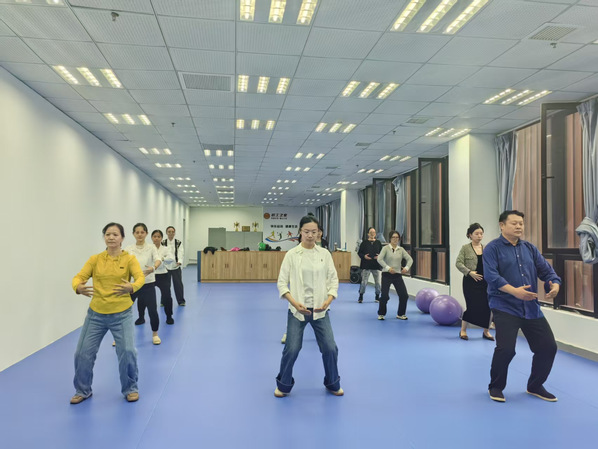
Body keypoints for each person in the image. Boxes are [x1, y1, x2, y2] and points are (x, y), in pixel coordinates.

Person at [483, 210, 561, 403]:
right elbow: (491, 276)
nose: (519, 226)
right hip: (504, 306)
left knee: (548, 347)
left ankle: (535, 386)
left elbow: (547, 272)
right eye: (514, 223)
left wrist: (554, 284)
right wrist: (514, 291)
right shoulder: (492, 249)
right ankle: (496, 386)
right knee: (506, 349)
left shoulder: (530, 248)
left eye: (521, 223)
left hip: (530, 307)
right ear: (502, 225)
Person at [70, 222, 145, 404]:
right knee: (82, 353)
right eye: (108, 234)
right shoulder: (95, 259)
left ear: (122, 238)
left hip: (122, 314)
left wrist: (132, 287)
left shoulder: (129, 259)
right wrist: (78, 287)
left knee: (127, 351)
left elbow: (140, 277)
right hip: (96, 314)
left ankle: (130, 388)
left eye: (115, 234)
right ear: (104, 237)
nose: (111, 237)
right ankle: (83, 390)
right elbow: (79, 277)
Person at [275, 215, 343, 397]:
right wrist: (293, 303)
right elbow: (282, 283)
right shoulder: (292, 255)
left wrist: (329, 300)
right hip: (297, 311)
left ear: (319, 233)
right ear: (300, 232)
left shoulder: (324, 254)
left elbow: (333, 280)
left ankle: (333, 383)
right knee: (291, 349)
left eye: (314, 232)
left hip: (321, 310)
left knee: (330, 348)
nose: (310, 235)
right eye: (307, 231)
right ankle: (283, 385)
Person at [455, 223, 494, 341]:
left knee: (487, 306)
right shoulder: (465, 248)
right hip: (470, 282)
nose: (479, 236)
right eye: (476, 233)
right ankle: (463, 330)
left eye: (481, 233)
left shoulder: (486, 248)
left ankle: (486, 331)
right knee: (471, 306)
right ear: (470, 235)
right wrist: (469, 272)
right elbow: (458, 263)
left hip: (485, 282)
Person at [125, 223, 162, 345]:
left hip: (148, 283)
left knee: (152, 310)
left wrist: (153, 267)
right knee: (123, 310)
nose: (139, 235)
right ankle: (120, 336)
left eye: (142, 232)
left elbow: (158, 259)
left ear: (146, 233)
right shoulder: (129, 249)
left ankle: (155, 334)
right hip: (132, 285)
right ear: (133, 234)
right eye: (137, 232)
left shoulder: (151, 247)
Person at [376, 230, 413, 320]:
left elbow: (410, 259)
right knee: (384, 296)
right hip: (386, 275)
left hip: (397, 275)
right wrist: (388, 268)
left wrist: (406, 268)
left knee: (404, 295)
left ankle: (401, 314)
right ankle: (381, 314)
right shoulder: (385, 248)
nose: (395, 239)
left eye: (397, 237)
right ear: (390, 238)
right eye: (393, 237)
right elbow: (379, 259)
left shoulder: (401, 249)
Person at [152, 230, 176, 325]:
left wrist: (161, 259)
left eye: (158, 236)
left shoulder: (166, 249)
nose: (156, 238)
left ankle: (169, 316)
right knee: (144, 297)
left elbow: (171, 258)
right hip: (151, 274)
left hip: (163, 274)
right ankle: (141, 317)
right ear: (152, 238)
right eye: (154, 236)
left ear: (161, 238)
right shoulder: (149, 248)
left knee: (167, 296)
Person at [357, 227, 382, 303]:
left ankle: (377, 296)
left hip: (376, 266)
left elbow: (382, 253)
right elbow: (359, 253)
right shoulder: (364, 243)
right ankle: (361, 296)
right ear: (368, 234)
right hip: (366, 265)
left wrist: (379, 256)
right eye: (371, 232)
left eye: (373, 232)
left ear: (375, 234)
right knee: (364, 282)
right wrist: (364, 256)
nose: (372, 234)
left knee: (378, 282)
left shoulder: (378, 243)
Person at [162, 226, 186, 306]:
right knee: (165, 285)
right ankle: (164, 301)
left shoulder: (178, 242)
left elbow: (181, 252)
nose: (171, 233)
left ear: (174, 233)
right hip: (166, 267)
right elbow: (161, 253)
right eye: (169, 232)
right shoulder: (163, 243)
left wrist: (179, 261)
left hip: (176, 266)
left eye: (172, 232)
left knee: (178, 284)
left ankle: (181, 301)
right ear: (166, 233)